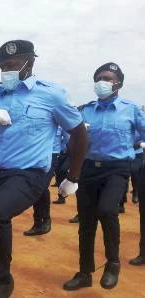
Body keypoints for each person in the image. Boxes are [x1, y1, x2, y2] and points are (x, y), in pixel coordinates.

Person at [0, 40, 87, 298]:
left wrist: (73, 176)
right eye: (2, 67)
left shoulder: (52, 95)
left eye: (10, 65)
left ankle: (3, 283)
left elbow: (79, 134)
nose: (6, 71)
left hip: (30, 174)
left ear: (29, 62)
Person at [63, 62, 145, 291]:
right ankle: (84, 272)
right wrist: (72, 174)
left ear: (118, 83)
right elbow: (74, 141)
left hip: (116, 169)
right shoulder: (85, 110)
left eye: (108, 78)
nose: (103, 82)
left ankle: (113, 263)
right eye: (99, 78)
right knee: (86, 222)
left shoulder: (131, 109)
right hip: (88, 169)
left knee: (108, 210)